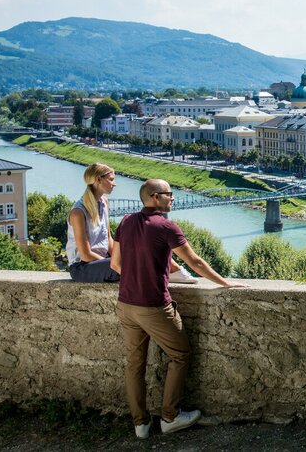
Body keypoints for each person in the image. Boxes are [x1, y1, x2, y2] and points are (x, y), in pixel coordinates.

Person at [111, 178, 247, 439]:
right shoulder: (166, 226)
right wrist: (226, 283)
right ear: (153, 196)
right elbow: (195, 262)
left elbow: (116, 263)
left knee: (134, 365)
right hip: (153, 306)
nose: (173, 198)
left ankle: (140, 425)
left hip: (126, 303)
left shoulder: (126, 221)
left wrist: (139, 276)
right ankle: (170, 417)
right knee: (181, 354)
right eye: (168, 194)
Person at [66, 163, 196, 284]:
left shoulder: (104, 203)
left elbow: (108, 239)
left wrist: (118, 257)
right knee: (134, 262)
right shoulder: (78, 212)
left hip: (104, 262)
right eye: (111, 179)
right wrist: (115, 263)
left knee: (141, 252)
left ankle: (173, 269)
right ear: (99, 180)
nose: (114, 184)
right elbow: (85, 255)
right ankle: (168, 273)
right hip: (82, 268)